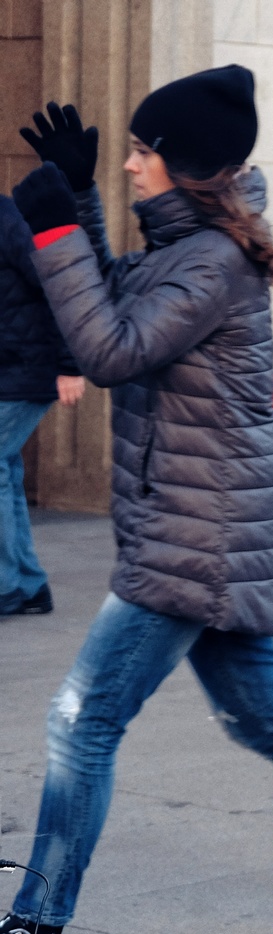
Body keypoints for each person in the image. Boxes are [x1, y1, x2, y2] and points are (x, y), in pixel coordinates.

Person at [0, 67, 273, 934]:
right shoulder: (192, 249)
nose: (129, 164)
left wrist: (52, 225)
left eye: (139, 151)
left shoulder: (212, 262)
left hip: (194, 538)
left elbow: (110, 348)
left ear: (179, 164)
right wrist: (79, 200)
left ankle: (33, 932)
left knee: (79, 722)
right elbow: (117, 295)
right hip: (196, 527)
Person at [0, 187, 83, 615]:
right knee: (7, 470)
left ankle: (8, 585)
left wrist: (70, 364)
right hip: (11, 370)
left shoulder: (7, 219)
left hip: (26, 369)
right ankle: (28, 585)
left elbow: (60, 284)